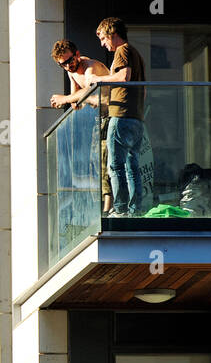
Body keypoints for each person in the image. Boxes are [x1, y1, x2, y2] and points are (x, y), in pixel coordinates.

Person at [79, 18, 146, 216]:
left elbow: (123, 77)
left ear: (112, 33)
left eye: (102, 38)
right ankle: (134, 210)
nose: (102, 43)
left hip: (121, 115)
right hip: (136, 116)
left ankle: (120, 209)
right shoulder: (136, 53)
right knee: (131, 165)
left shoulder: (122, 50)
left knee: (115, 165)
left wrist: (96, 80)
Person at [50, 40, 112, 213]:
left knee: (106, 160)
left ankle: (109, 208)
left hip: (112, 114)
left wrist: (66, 99)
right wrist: (72, 101)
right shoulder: (71, 72)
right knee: (95, 163)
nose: (69, 66)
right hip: (98, 119)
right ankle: (101, 207)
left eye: (70, 61)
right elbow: (76, 99)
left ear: (77, 54)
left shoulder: (90, 67)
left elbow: (90, 90)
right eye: (63, 64)